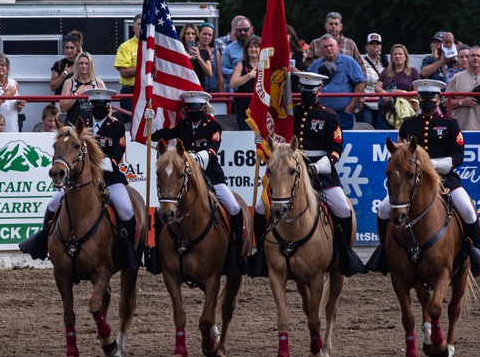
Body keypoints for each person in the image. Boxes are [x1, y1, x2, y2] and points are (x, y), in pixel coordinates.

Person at [368, 79, 480, 277]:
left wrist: (431, 165)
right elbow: (400, 153)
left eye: (431, 97)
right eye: (424, 97)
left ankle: (474, 255)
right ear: (418, 98)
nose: (427, 101)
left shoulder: (450, 123)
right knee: (383, 209)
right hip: (411, 180)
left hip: (444, 178)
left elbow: (458, 155)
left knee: (468, 211)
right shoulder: (409, 124)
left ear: (438, 98)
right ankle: (384, 252)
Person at [250, 72, 366, 278]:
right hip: (289, 173)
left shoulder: (329, 116)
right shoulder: (291, 114)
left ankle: (345, 255)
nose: (306, 94)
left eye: (310, 90)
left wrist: (318, 167)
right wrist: (261, 138)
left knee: (342, 207)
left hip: (320, 174)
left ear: (319, 90)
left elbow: (335, 150)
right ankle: (260, 255)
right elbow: (278, 137)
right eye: (303, 90)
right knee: (261, 207)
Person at [22, 89, 139, 269]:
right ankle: (45, 243)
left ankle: (128, 250)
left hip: (109, 177)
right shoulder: (80, 125)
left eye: (102, 105)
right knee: (53, 203)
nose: (98, 108)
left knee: (125, 208)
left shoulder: (116, 127)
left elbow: (117, 156)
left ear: (108, 106)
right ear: (91, 106)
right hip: (79, 178)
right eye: (95, 105)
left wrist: (94, 164)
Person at [149, 91, 246, 273]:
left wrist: (191, 159)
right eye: (190, 108)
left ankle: (235, 251)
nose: (194, 111)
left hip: (210, 176)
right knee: (161, 210)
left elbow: (212, 150)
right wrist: (150, 122)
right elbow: (159, 135)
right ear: (186, 108)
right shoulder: (182, 125)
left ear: (204, 108)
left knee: (234, 208)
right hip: (184, 180)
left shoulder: (213, 126)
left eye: (198, 108)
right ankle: (157, 254)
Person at [306, 34, 365, 130]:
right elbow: (307, 83)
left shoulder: (349, 62)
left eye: (331, 45)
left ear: (337, 46)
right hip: (320, 113)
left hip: (342, 114)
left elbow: (361, 82)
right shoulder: (314, 66)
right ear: (321, 50)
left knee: (341, 142)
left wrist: (350, 107)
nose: (328, 49)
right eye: (325, 47)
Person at [375, 44, 419, 130]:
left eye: (400, 54)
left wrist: (402, 94)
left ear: (405, 56)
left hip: (406, 111)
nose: (398, 56)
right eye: (395, 54)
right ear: (391, 57)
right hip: (387, 110)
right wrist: (385, 94)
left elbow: (417, 92)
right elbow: (377, 87)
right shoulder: (386, 71)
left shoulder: (413, 72)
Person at [58, 51, 105, 126]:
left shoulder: (99, 83)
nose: (84, 66)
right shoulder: (69, 82)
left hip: (94, 128)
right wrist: (76, 94)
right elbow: (62, 108)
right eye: (81, 63)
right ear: (77, 65)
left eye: (87, 63)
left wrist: (105, 126)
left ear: (91, 65)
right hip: (73, 127)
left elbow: (108, 107)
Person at [356, 32, 387, 127]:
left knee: (381, 131)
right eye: (372, 44)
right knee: (367, 129)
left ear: (381, 47)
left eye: (377, 44)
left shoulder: (386, 62)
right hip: (366, 102)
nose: (375, 46)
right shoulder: (360, 62)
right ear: (366, 47)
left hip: (382, 103)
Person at [230, 35, 260, 131]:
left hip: (262, 109)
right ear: (246, 50)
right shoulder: (241, 65)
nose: (253, 49)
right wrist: (249, 75)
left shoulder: (266, 65)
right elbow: (233, 83)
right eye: (250, 47)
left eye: (256, 46)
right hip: (245, 110)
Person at [114, 14, 140, 117]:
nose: (143, 27)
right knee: (129, 124)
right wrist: (145, 66)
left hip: (151, 90)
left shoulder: (154, 46)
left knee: (152, 125)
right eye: (139, 24)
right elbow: (124, 72)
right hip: (131, 92)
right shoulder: (125, 47)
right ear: (134, 28)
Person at [221, 16, 253, 93]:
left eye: (245, 30)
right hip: (239, 91)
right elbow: (223, 69)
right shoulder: (229, 49)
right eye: (239, 30)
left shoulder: (261, 45)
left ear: (251, 29)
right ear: (235, 31)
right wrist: (237, 72)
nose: (242, 32)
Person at [193, 22, 220, 93]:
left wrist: (221, 94)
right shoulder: (193, 50)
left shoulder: (215, 52)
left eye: (210, 35)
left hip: (214, 91)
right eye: (204, 34)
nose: (207, 37)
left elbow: (219, 76)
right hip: (198, 89)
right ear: (198, 34)